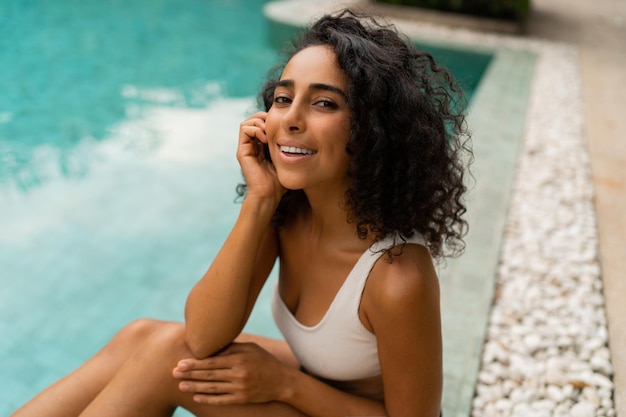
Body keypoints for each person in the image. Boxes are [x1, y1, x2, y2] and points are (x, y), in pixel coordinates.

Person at [11, 9, 470, 417]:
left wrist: (287, 384)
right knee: (144, 336)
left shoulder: (396, 276)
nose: (290, 118)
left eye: (324, 103)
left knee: (168, 358)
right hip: (313, 389)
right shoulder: (288, 213)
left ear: (373, 131)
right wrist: (259, 199)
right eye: (283, 98)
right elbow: (204, 334)